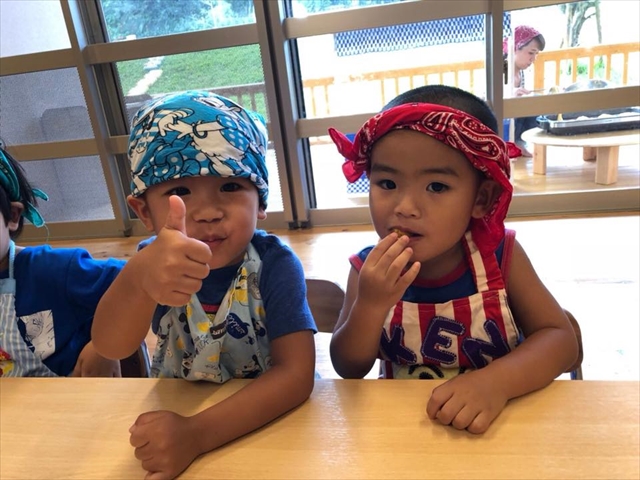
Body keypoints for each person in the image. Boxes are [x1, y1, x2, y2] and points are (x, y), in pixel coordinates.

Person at [327, 85, 578, 435]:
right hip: (403, 434)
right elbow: (349, 368)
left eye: (436, 187)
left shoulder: (500, 256)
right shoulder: (367, 270)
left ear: (481, 199)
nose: (405, 207)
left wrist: (496, 383)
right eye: (387, 183)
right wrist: (369, 306)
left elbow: (562, 341)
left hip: (500, 430)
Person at [92, 91, 316, 480]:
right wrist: (138, 278)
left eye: (230, 187)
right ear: (144, 211)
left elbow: (295, 376)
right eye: (179, 191)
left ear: (261, 201)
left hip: (269, 424)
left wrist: (196, 434)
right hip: (174, 417)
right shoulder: (154, 265)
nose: (209, 212)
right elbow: (112, 347)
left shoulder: (275, 266)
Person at [0, 146, 124, 377]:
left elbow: (135, 281)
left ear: (12, 216)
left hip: (66, 397)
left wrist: (103, 346)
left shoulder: (52, 270)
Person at [503, 25, 546, 156]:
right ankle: (508, 145)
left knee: (534, 102)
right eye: (531, 53)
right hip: (500, 126)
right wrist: (510, 95)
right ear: (515, 49)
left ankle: (520, 142)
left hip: (513, 121)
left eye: (536, 54)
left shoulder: (520, 72)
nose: (533, 59)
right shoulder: (502, 69)